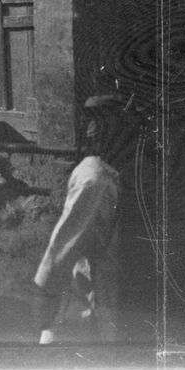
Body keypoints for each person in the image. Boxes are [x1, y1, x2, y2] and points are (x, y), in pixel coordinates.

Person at [33, 94, 146, 345]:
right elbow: (64, 244)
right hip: (91, 289)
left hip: (109, 281)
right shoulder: (95, 179)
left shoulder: (111, 173)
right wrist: (45, 294)